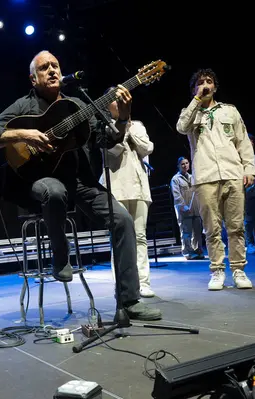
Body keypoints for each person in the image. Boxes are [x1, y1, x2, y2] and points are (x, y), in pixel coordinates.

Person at [0, 50, 162, 321]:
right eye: (44, 68)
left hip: (80, 180)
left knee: (123, 220)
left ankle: (129, 300)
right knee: (54, 191)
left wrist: (123, 118)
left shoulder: (78, 104)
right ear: (33, 78)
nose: (52, 70)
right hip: (39, 177)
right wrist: (24, 133)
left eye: (55, 65)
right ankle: (59, 250)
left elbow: (107, 140)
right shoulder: (23, 106)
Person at [176, 68, 255, 290]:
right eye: (200, 82)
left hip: (232, 173)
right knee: (211, 228)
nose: (205, 85)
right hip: (205, 177)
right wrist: (196, 100)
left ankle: (239, 270)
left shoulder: (229, 111)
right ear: (194, 89)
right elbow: (181, 128)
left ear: (216, 87)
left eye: (209, 81)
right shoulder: (190, 113)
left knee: (236, 226)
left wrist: (249, 169)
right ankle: (217, 270)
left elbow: (243, 142)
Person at [99, 90, 155, 298]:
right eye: (114, 99)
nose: (119, 101)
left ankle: (143, 282)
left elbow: (147, 148)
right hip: (117, 187)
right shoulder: (104, 129)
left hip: (140, 188)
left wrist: (130, 129)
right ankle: (122, 284)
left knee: (140, 236)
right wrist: (122, 128)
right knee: (120, 238)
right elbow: (112, 152)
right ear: (107, 106)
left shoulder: (138, 125)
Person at [170, 157, 205, 260]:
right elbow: (176, 195)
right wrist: (183, 206)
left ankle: (198, 250)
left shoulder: (192, 177)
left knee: (197, 232)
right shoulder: (175, 179)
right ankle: (187, 252)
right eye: (182, 164)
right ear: (178, 166)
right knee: (186, 232)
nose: (185, 165)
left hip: (195, 209)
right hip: (184, 210)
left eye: (186, 163)